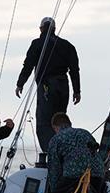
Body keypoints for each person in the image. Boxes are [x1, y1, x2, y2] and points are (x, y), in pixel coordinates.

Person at [15, 17, 81, 152]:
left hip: (47, 85)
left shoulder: (37, 44)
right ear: (54, 29)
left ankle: (49, 153)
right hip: (63, 86)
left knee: (45, 121)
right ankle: (65, 149)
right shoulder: (67, 45)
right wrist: (77, 91)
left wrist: (20, 84)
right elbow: (74, 70)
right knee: (60, 119)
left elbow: (28, 65)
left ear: (41, 29)